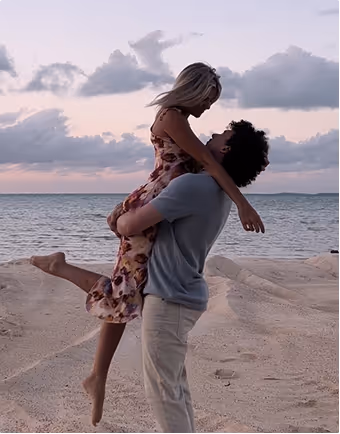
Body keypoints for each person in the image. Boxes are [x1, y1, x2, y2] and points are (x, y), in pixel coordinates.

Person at [30, 63, 265, 426]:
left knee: (127, 305)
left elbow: (209, 164)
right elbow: (209, 164)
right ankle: (97, 373)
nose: (209, 118)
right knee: (162, 369)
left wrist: (243, 202)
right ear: (195, 91)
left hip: (166, 269)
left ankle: (95, 368)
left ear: (228, 149)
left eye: (220, 129)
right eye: (208, 103)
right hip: (158, 210)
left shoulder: (196, 178)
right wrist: (241, 201)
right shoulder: (176, 123)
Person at [116, 121, 270, 432]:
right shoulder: (220, 192)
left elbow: (130, 226)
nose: (213, 134)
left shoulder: (194, 186)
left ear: (225, 149)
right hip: (182, 295)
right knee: (174, 388)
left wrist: (118, 217)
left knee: (163, 393)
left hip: (169, 297)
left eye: (222, 134)